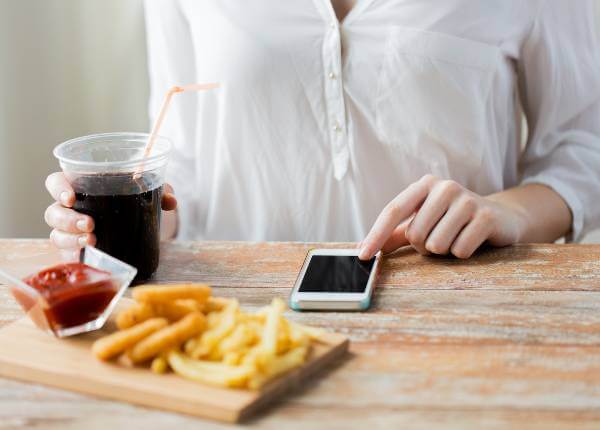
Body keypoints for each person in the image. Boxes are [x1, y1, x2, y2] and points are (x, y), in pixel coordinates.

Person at [44, 0, 600, 261]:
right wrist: (129, 220)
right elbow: (188, 151)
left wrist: (511, 210)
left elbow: (584, 147)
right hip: (240, 321)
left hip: (455, 307)